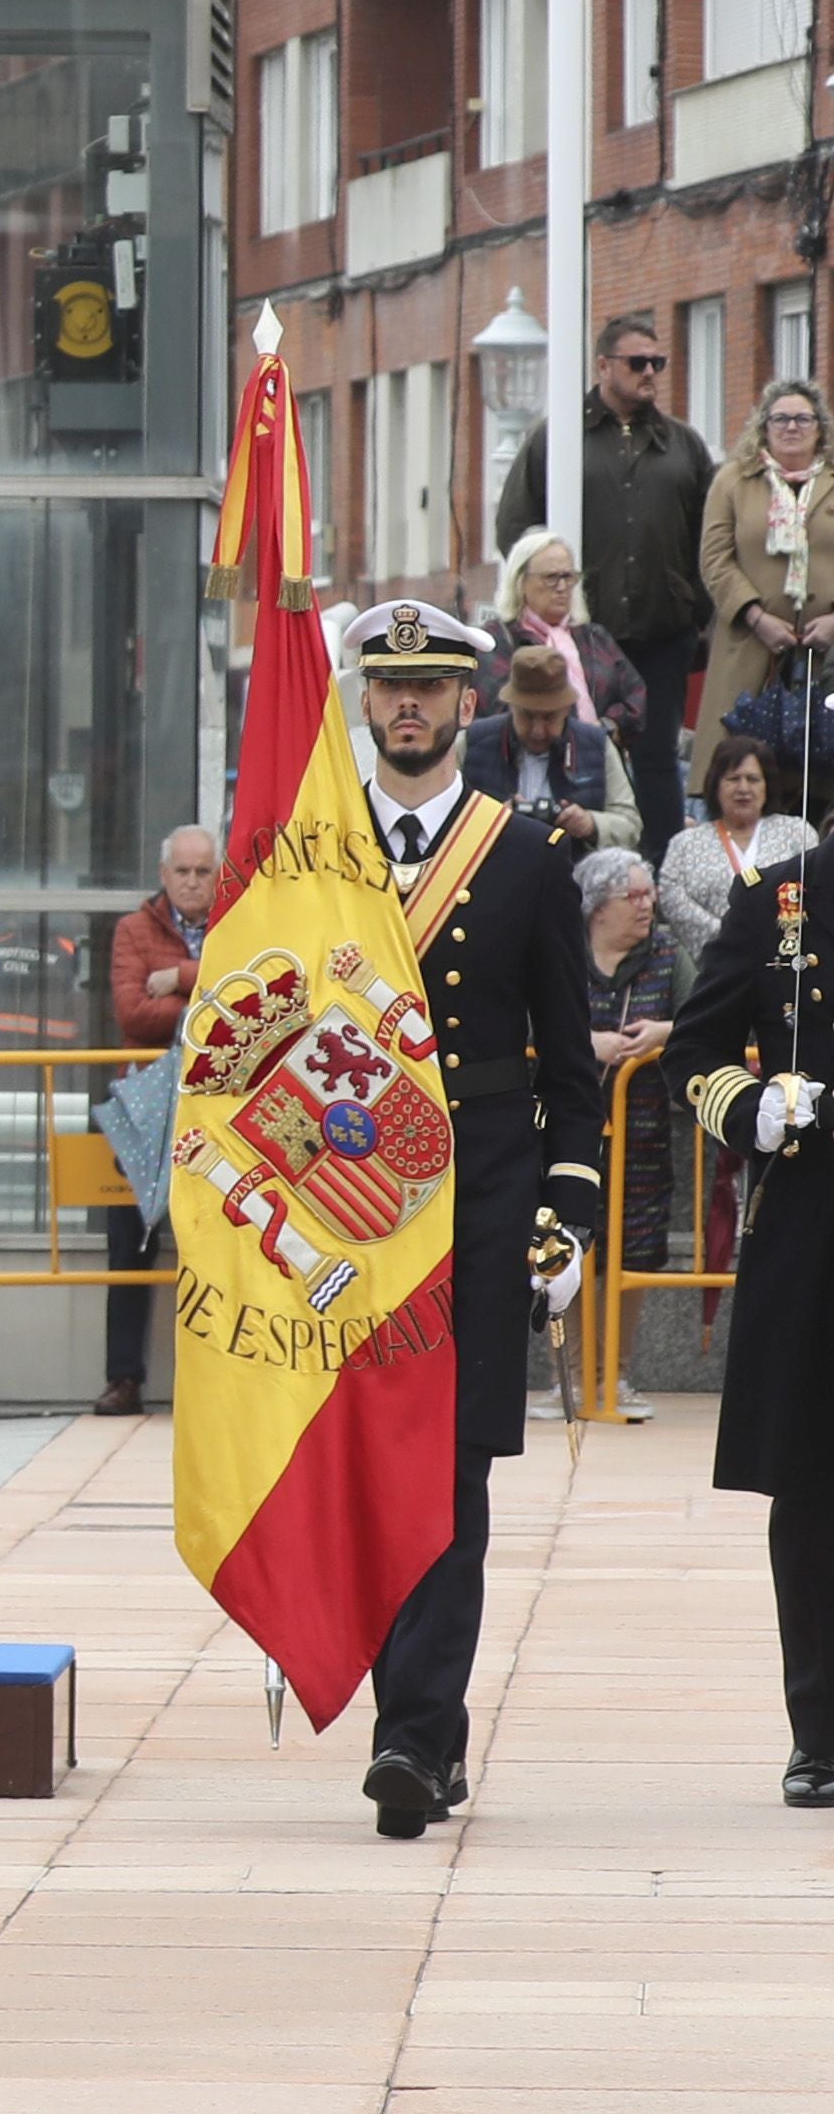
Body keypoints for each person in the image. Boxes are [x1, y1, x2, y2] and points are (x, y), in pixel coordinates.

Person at [345, 601, 607, 1836]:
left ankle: (417, 1737)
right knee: (365, 1469)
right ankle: (409, 1723)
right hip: (349, 1212)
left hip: (483, 1197)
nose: (409, 706)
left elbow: (570, 1063)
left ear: (469, 706)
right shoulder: (321, 855)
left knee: (450, 1474)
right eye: (389, 687)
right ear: (367, 703)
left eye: (431, 689)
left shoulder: (523, 857)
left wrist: (569, 1206)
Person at [670, 822, 834, 1799]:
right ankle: (818, 1730)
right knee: (813, 1486)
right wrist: (752, 1109)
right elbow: (696, 1045)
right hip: (814, 1219)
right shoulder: (782, 894)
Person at [495, 305, 713, 839]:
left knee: (659, 757)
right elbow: (516, 528)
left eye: (658, 362)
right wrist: (546, 595)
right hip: (584, 637)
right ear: (603, 366)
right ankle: (581, 858)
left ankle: (658, 871)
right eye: (637, 361)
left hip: (663, 632)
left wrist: (696, 611)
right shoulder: (559, 438)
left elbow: (710, 537)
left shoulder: (682, 444)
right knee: (582, 748)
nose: (650, 373)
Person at [92, 826, 221, 1415]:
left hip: (221, 1105)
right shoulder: (132, 929)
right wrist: (207, 993)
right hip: (144, 1105)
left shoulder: (237, 922)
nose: (193, 882)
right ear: (163, 874)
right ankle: (124, 1377)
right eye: (183, 872)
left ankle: (219, 1375)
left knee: (219, 1245)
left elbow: (263, 997)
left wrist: (180, 978)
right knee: (129, 1244)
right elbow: (134, 1015)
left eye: (203, 871)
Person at [580, 845, 674, 1420]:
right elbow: (531, 1016)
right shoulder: (564, 955)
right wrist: (584, 1043)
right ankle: (573, 1380)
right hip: (572, 1129)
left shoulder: (668, 952)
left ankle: (617, 1374)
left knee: (633, 1248)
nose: (646, 905)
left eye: (649, 893)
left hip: (643, 1132)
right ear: (597, 909)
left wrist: (666, 1028)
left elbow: (709, 1014)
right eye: (632, 896)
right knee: (569, 1245)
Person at [702, 377, 834, 753]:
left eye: (803, 419)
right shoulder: (733, 481)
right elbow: (714, 558)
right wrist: (756, 617)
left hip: (827, 654)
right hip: (751, 647)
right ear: (764, 427)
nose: (791, 427)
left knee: (820, 772)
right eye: (780, 419)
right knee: (744, 765)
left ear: (820, 428)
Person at [662, 729, 814, 990]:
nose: (743, 788)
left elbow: (815, 890)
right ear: (715, 785)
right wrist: (733, 938)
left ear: (767, 785)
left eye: (753, 779)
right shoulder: (686, 843)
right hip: (711, 972)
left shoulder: (796, 833)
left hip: (783, 970)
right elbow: (671, 897)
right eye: (733, 779)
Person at [462, 641, 642, 853]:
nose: (538, 730)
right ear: (511, 707)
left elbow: (630, 824)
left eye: (549, 717)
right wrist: (491, 821)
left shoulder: (598, 746)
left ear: (566, 709)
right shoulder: (471, 742)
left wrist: (591, 824)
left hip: (574, 874)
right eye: (527, 716)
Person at [487, 533, 652, 760]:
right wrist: (568, 732)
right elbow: (499, 709)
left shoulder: (594, 637)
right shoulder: (497, 640)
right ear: (520, 582)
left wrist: (606, 727)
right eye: (551, 577)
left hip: (598, 763)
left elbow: (636, 695)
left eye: (568, 576)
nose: (562, 587)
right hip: (523, 767)